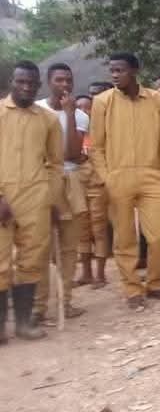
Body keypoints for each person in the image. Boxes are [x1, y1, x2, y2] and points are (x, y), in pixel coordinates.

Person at [90, 52, 160, 310]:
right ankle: (132, 289)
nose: (115, 75)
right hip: (118, 176)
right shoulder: (103, 102)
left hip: (152, 176)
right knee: (125, 237)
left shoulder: (157, 99)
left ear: (135, 70)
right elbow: (96, 146)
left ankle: (155, 282)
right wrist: (107, 178)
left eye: (120, 70)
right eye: (112, 70)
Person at [0, 61, 63, 342]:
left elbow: (55, 164)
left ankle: (24, 324)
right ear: (11, 82)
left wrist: (49, 199)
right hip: (2, 196)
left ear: (39, 85)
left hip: (35, 197)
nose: (26, 87)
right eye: (20, 81)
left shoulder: (47, 119)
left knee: (31, 260)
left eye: (31, 83)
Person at [33, 63, 90, 323]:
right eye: (59, 80)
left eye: (68, 80)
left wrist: (68, 113)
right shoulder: (36, 111)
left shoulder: (79, 116)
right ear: (48, 81)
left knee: (68, 247)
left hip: (71, 182)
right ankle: (39, 307)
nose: (65, 85)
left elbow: (72, 154)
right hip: (41, 182)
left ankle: (65, 302)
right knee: (41, 247)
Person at [75, 82, 112, 288]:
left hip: (98, 185)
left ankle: (100, 274)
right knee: (82, 230)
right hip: (78, 186)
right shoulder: (74, 135)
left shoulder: (102, 133)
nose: (83, 111)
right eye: (79, 108)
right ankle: (86, 273)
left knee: (99, 229)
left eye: (87, 107)